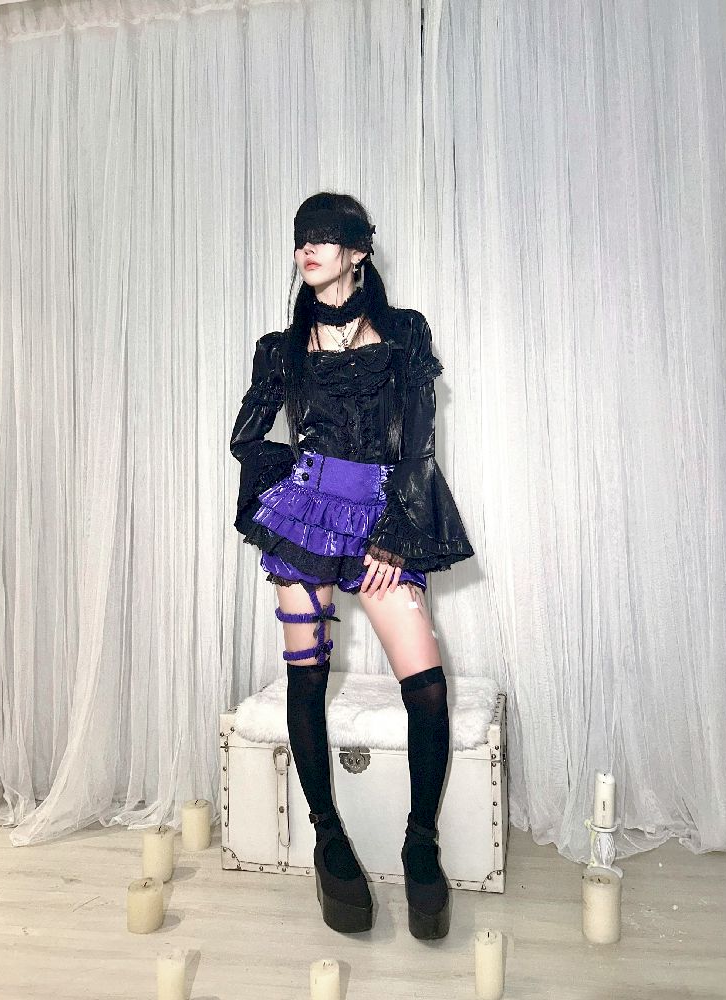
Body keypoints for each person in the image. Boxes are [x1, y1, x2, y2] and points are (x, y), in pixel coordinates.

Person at [229, 192, 474, 939]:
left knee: (426, 687)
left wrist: (396, 529)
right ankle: (329, 838)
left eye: (324, 237)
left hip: (382, 515)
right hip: (308, 518)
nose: (308, 249)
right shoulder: (280, 348)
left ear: (358, 251)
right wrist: (292, 485)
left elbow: (419, 442)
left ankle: (420, 844)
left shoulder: (403, 333)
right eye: (301, 238)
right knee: (305, 676)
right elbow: (246, 438)